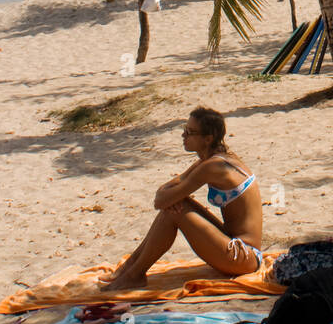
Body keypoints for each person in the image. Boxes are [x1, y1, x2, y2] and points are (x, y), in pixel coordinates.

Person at [101, 107, 264, 290]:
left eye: (190, 132)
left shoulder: (213, 166)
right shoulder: (211, 160)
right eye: (184, 130)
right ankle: (130, 267)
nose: (183, 136)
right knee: (177, 204)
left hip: (244, 257)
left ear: (208, 139)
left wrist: (168, 194)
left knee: (174, 210)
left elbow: (161, 200)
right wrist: (168, 194)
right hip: (237, 247)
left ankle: (134, 274)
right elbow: (167, 193)